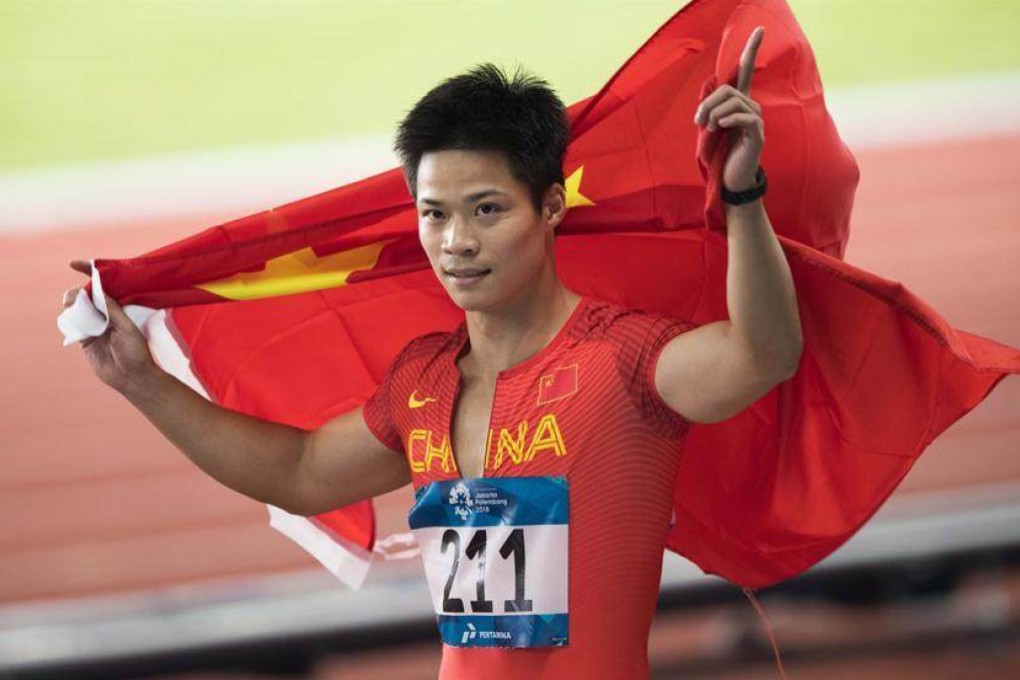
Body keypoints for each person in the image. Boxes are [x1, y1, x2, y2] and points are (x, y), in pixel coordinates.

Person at [62, 26, 799, 680]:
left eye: (487, 210)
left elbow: (761, 355)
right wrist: (142, 383)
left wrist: (743, 197)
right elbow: (300, 472)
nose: (457, 243)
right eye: (434, 214)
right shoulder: (422, 382)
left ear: (550, 207)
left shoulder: (624, 359)